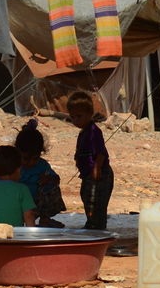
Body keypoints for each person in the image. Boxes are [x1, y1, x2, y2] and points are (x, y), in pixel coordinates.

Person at [67, 91, 112, 230]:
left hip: (99, 174)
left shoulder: (94, 131)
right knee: (87, 197)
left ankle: (97, 225)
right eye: (72, 117)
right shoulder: (84, 132)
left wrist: (96, 169)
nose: (76, 121)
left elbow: (99, 153)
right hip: (88, 175)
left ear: (90, 112)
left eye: (79, 116)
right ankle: (92, 222)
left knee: (96, 200)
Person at [14, 120, 66, 228]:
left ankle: (45, 219)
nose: (31, 163)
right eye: (27, 159)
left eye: (35, 159)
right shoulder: (12, 165)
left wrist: (48, 179)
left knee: (52, 188)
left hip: (35, 204)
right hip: (15, 205)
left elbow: (56, 180)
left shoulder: (42, 165)